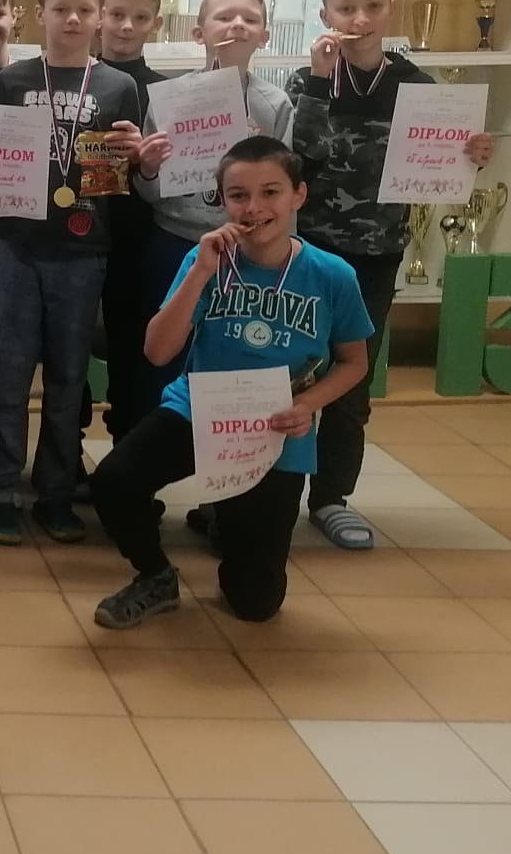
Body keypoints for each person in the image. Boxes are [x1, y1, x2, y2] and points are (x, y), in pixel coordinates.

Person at [89, 137, 372, 628]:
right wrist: (200, 272)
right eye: (239, 195)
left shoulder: (333, 276)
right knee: (114, 481)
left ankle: (230, 515)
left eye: (270, 192)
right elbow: (157, 351)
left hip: (276, 429)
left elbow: (354, 362)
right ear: (222, 201)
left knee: (255, 603)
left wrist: (308, 405)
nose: (254, 207)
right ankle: (155, 575)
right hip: (199, 412)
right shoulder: (205, 260)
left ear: (298, 195)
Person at [287, 0, 492, 550]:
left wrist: (471, 155)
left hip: (376, 254)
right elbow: (302, 157)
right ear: (325, 14)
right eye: (346, 7)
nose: (359, 19)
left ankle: (331, 498)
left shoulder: (418, 87)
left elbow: (442, 167)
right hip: (305, 252)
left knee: (353, 378)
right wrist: (319, 80)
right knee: (287, 372)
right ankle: (266, 491)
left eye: (371, 6)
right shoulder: (306, 81)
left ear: (389, 11)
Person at [0, 0, 142, 547]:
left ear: (99, 17)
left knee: (70, 377)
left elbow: (123, 174)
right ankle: (0, 487)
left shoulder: (118, 87)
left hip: (83, 246)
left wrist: (137, 155)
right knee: (9, 370)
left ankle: (55, 489)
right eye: (61, 8)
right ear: (39, 13)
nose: (72, 19)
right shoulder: (13, 80)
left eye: (84, 10)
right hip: (16, 245)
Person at [133, 0, 295, 417]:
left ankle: (228, 449)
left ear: (264, 36)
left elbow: (283, 194)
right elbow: (149, 191)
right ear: (198, 32)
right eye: (224, 17)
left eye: (249, 19)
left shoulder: (275, 104)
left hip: (246, 251)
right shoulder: (169, 100)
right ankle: (166, 442)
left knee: (231, 356)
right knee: (165, 360)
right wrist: (149, 168)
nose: (237, 25)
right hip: (175, 245)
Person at [86, 0, 167, 446]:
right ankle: (67, 454)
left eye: (140, 17)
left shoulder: (168, 92)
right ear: (99, 16)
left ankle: (127, 454)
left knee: (131, 348)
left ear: (156, 23)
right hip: (74, 231)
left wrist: (146, 158)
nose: (126, 26)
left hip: (136, 236)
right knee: (68, 347)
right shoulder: (72, 77)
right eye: (116, 14)